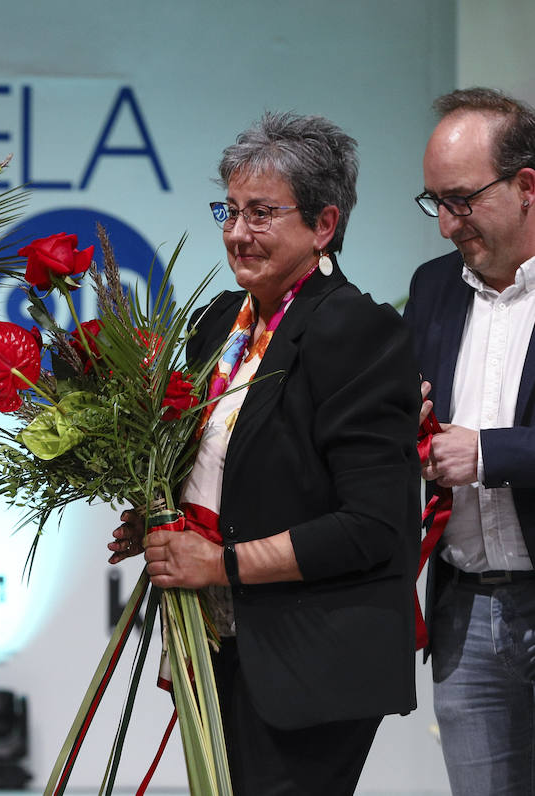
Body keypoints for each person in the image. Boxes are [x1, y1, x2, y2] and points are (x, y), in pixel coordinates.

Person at [109, 112, 420, 794]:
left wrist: (217, 561)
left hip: (314, 658)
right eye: (230, 210)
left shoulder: (358, 332)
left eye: (261, 213)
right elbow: (224, 468)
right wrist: (162, 521)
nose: (237, 233)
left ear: (323, 226)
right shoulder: (220, 320)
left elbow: (373, 527)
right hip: (221, 642)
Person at [406, 87, 535, 796]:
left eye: (460, 200)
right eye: (434, 202)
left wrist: (488, 453)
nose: (446, 225)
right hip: (462, 605)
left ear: (525, 187)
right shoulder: (432, 289)